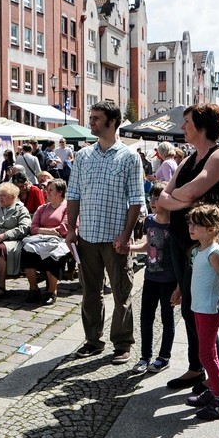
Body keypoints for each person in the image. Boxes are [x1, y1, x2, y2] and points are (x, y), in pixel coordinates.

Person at [157, 103, 219, 390]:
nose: (183, 127)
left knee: (203, 309)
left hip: (206, 246)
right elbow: (162, 197)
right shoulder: (189, 159)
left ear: (202, 126)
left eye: (187, 122)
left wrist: (178, 197)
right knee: (189, 308)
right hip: (183, 242)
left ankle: (218, 376)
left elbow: (188, 191)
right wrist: (183, 199)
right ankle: (197, 367)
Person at [66, 101, 144, 364]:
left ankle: (122, 343)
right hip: (87, 235)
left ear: (112, 122)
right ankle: (92, 340)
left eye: (97, 118)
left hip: (115, 239)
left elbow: (136, 200)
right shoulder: (83, 156)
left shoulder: (129, 157)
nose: (91, 122)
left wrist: (126, 235)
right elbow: (73, 194)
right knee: (90, 293)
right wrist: (71, 229)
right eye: (91, 117)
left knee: (122, 293)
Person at [183, 204, 219, 420]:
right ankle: (213, 390)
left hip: (209, 310)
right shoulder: (199, 250)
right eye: (190, 223)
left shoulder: (214, 252)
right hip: (199, 308)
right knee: (208, 354)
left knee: (207, 354)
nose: (191, 228)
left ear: (211, 229)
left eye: (197, 225)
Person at [131, 182, 176, 375]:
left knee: (167, 318)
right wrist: (129, 248)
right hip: (150, 277)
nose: (153, 201)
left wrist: (179, 286)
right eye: (151, 197)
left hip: (169, 280)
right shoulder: (149, 221)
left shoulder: (175, 225)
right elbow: (148, 246)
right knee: (146, 318)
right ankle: (145, 356)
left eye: (157, 197)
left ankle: (164, 356)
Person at [22, 178, 69, 305]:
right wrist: (49, 231)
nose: (46, 192)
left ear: (60, 192)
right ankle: (34, 289)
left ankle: (52, 291)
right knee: (27, 252)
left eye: (50, 190)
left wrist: (44, 230)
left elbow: (64, 229)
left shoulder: (68, 208)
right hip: (40, 239)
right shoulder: (42, 208)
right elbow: (33, 228)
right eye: (47, 190)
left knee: (53, 255)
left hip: (59, 241)